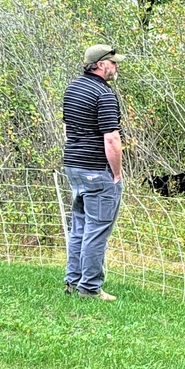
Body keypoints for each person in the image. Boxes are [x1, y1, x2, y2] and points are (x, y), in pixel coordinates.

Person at [62, 44, 126, 301]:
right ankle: (89, 288)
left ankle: (73, 281)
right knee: (97, 230)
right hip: (97, 171)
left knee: (79, 227)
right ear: (100, 65)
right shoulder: (104, 94)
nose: (116, 66)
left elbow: (67, 129)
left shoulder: (73, 88)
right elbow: (111, 138)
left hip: (74, 167)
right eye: (112, 62)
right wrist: (117, 174)